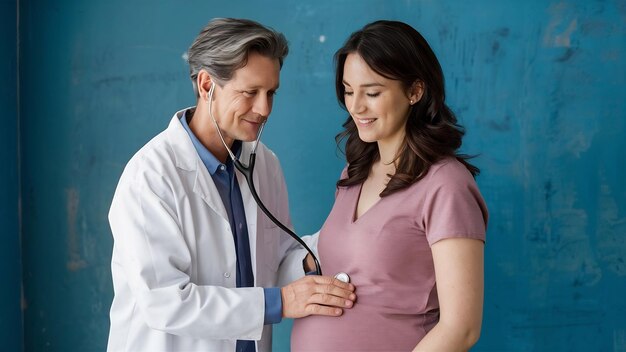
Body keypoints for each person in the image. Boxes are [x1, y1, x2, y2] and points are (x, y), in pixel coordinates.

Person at [107, 18, 356, 352]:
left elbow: (275, 263)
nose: (264, 108)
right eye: (250, 92)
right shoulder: (151, 177)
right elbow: (165, 302)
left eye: (271, 93)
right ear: (207, 85)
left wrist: (319, 255)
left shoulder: (264, 164)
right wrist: (279, 302)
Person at [291, 20, 488, 351]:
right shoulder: (352, 174)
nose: (356, 107)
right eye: (348, 91)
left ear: (414, 91)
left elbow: (461, 328)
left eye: (372, 92)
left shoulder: (446, 185)